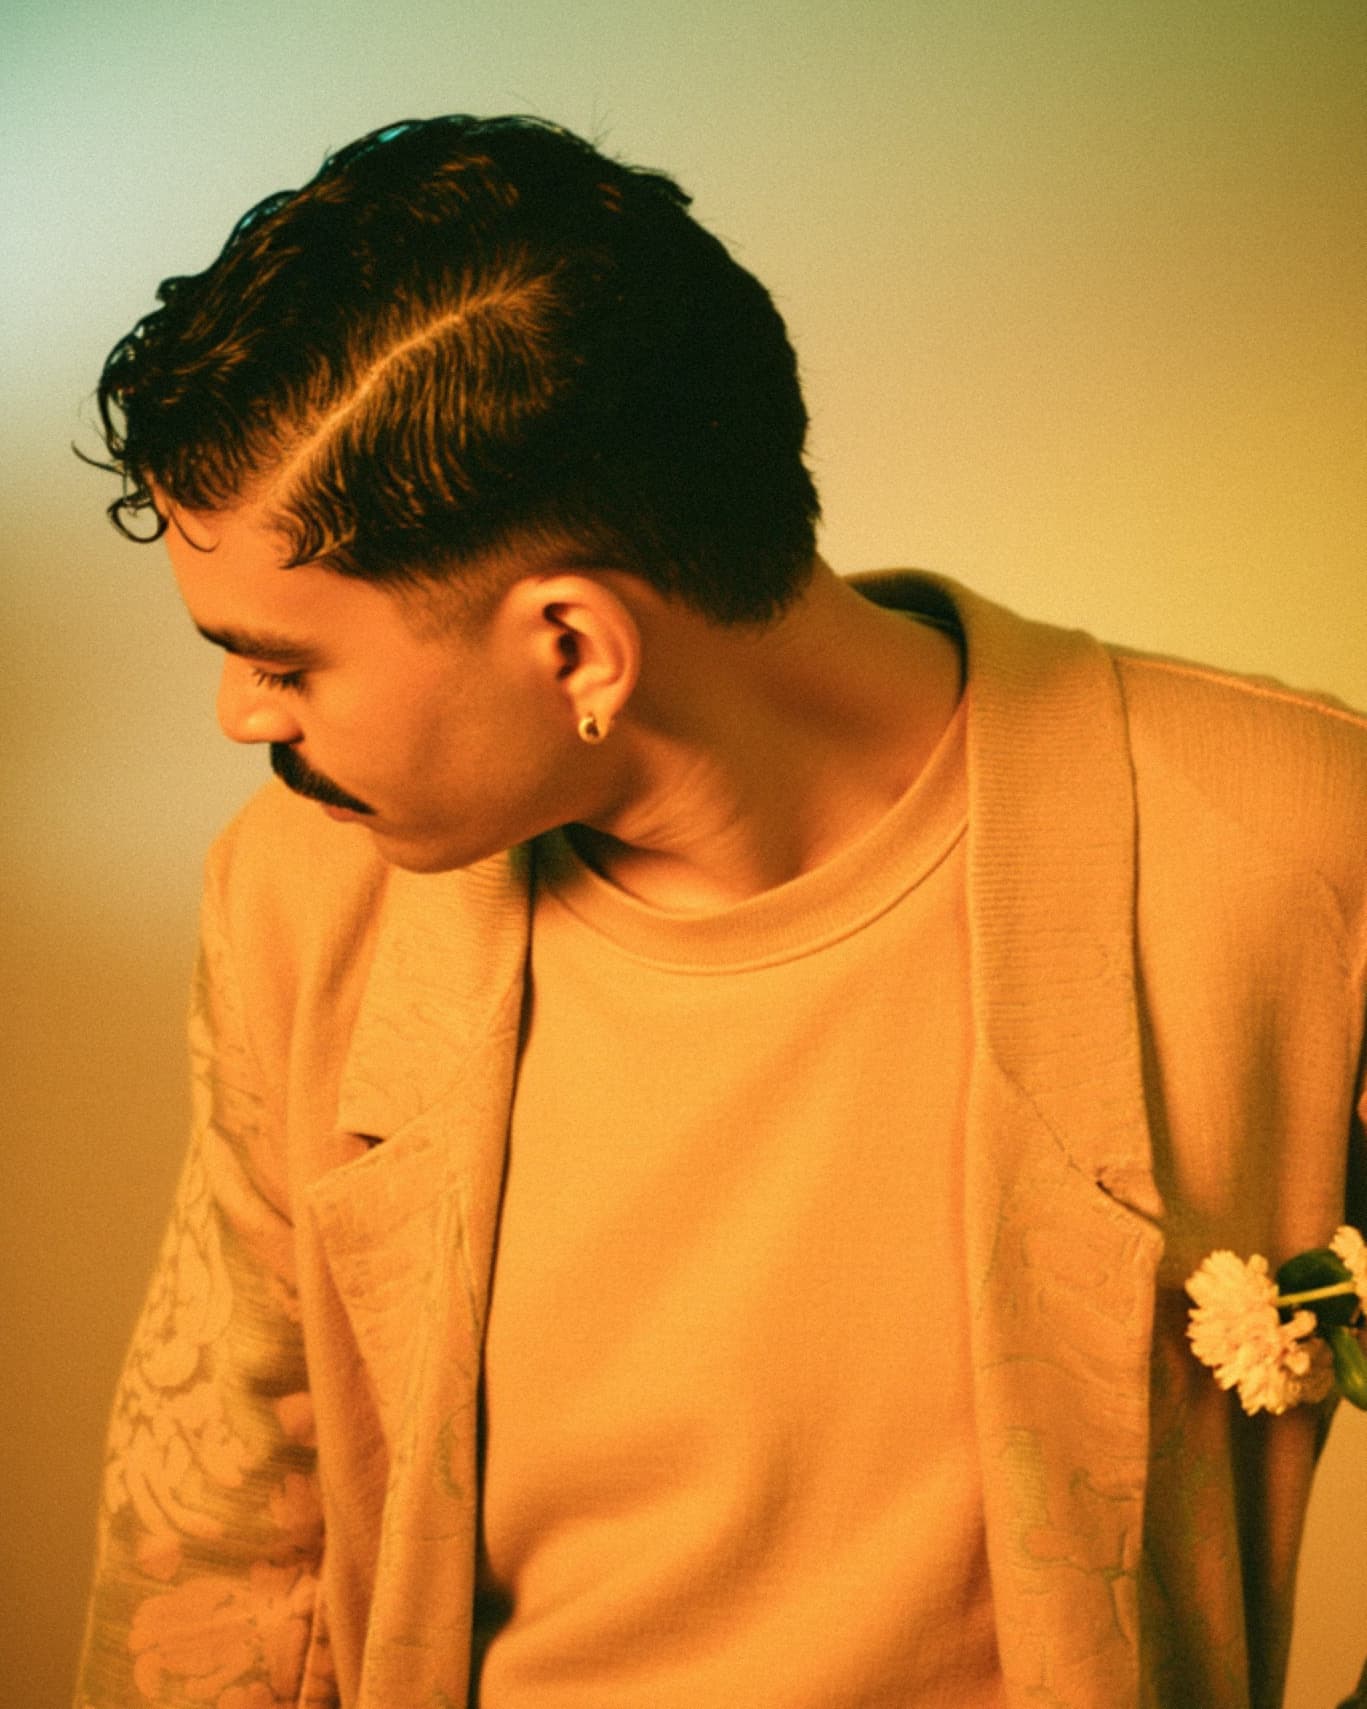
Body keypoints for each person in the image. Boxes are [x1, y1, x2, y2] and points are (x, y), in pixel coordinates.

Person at [74, 115, 1366, 1709]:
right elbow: (220, 1541)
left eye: (283, 660)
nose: (238, 716)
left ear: (575, 646)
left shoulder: (1298, 845)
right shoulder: (297, 896)